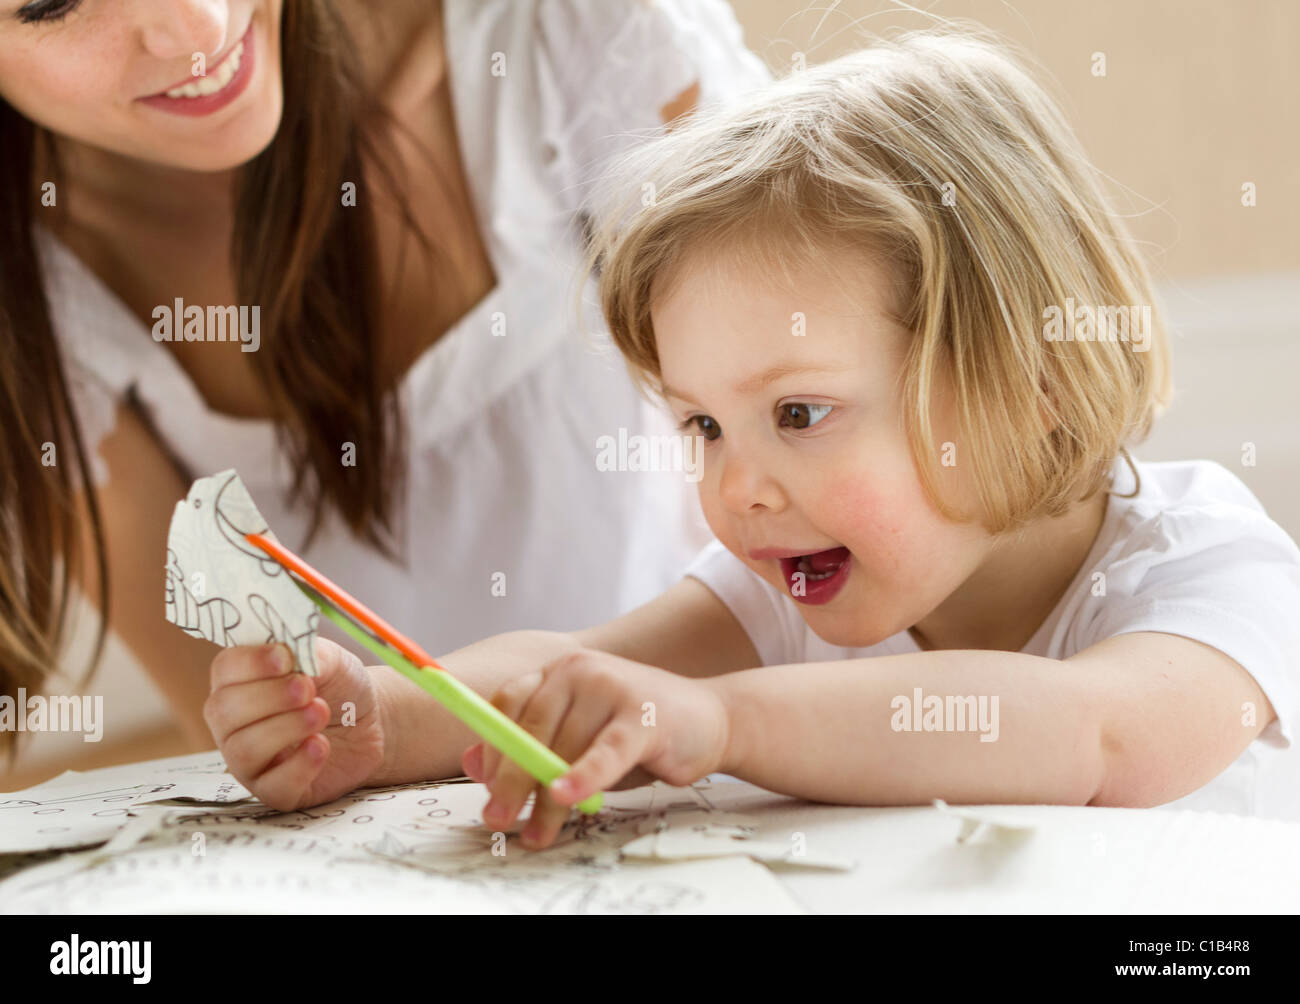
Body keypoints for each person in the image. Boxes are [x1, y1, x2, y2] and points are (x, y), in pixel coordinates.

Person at [205, 28, 1300, 847]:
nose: (738, 489)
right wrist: (380, 717)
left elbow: (1086, 736)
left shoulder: (1213, 568)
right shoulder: (794, 588)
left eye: (798, 414)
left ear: (1035, 373)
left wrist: (718, 720)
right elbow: (579, 666)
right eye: (701, 424)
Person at [0, 0, 770, 756]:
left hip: (744, 733)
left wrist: (630, 705)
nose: (201, 24)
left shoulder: (570, 29)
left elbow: (815, 520)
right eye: (49, 5)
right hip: (395, 848)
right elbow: (262, 746)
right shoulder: (40, 297)